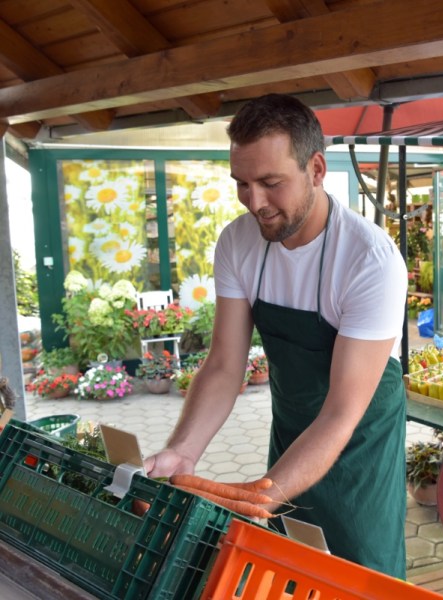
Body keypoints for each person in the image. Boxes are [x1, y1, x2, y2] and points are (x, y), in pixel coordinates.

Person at [145, 94, 409, 578]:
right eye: (242, 184)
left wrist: (256, 495)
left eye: (271, 183)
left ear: (316, 168)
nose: (255, 202)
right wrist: (182, 453)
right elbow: (225, 366)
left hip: (360, 445)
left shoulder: (370, 261)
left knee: (362, 575)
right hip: (291, 434)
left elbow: (341, 413)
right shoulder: (238, 242)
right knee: (288, 571)